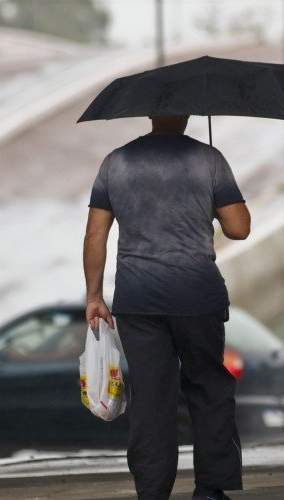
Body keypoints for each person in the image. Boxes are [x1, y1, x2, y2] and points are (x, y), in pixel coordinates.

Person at [83, 114, 250, 500]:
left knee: (151, 397)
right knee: (208, 386)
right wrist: (207, 203)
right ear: (187, 115)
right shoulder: (209, 160)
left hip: (137, 301)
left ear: (151, 115)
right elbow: (239, 228)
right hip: (197, 298)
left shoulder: (116, 162)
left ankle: (152, 492)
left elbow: (95, 233)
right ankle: (210, 489)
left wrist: (94, 297)